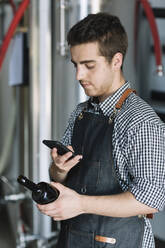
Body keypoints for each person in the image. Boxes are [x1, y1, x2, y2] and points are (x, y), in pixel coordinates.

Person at [37, 12, 165, 248]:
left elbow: (151, 199)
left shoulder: (141, 121)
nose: (79, 75)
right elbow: (60, 178)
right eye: (76, 65)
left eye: (89, 65)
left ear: (116, 61)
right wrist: (59, 169)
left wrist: (80, 204)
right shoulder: (81, 112)